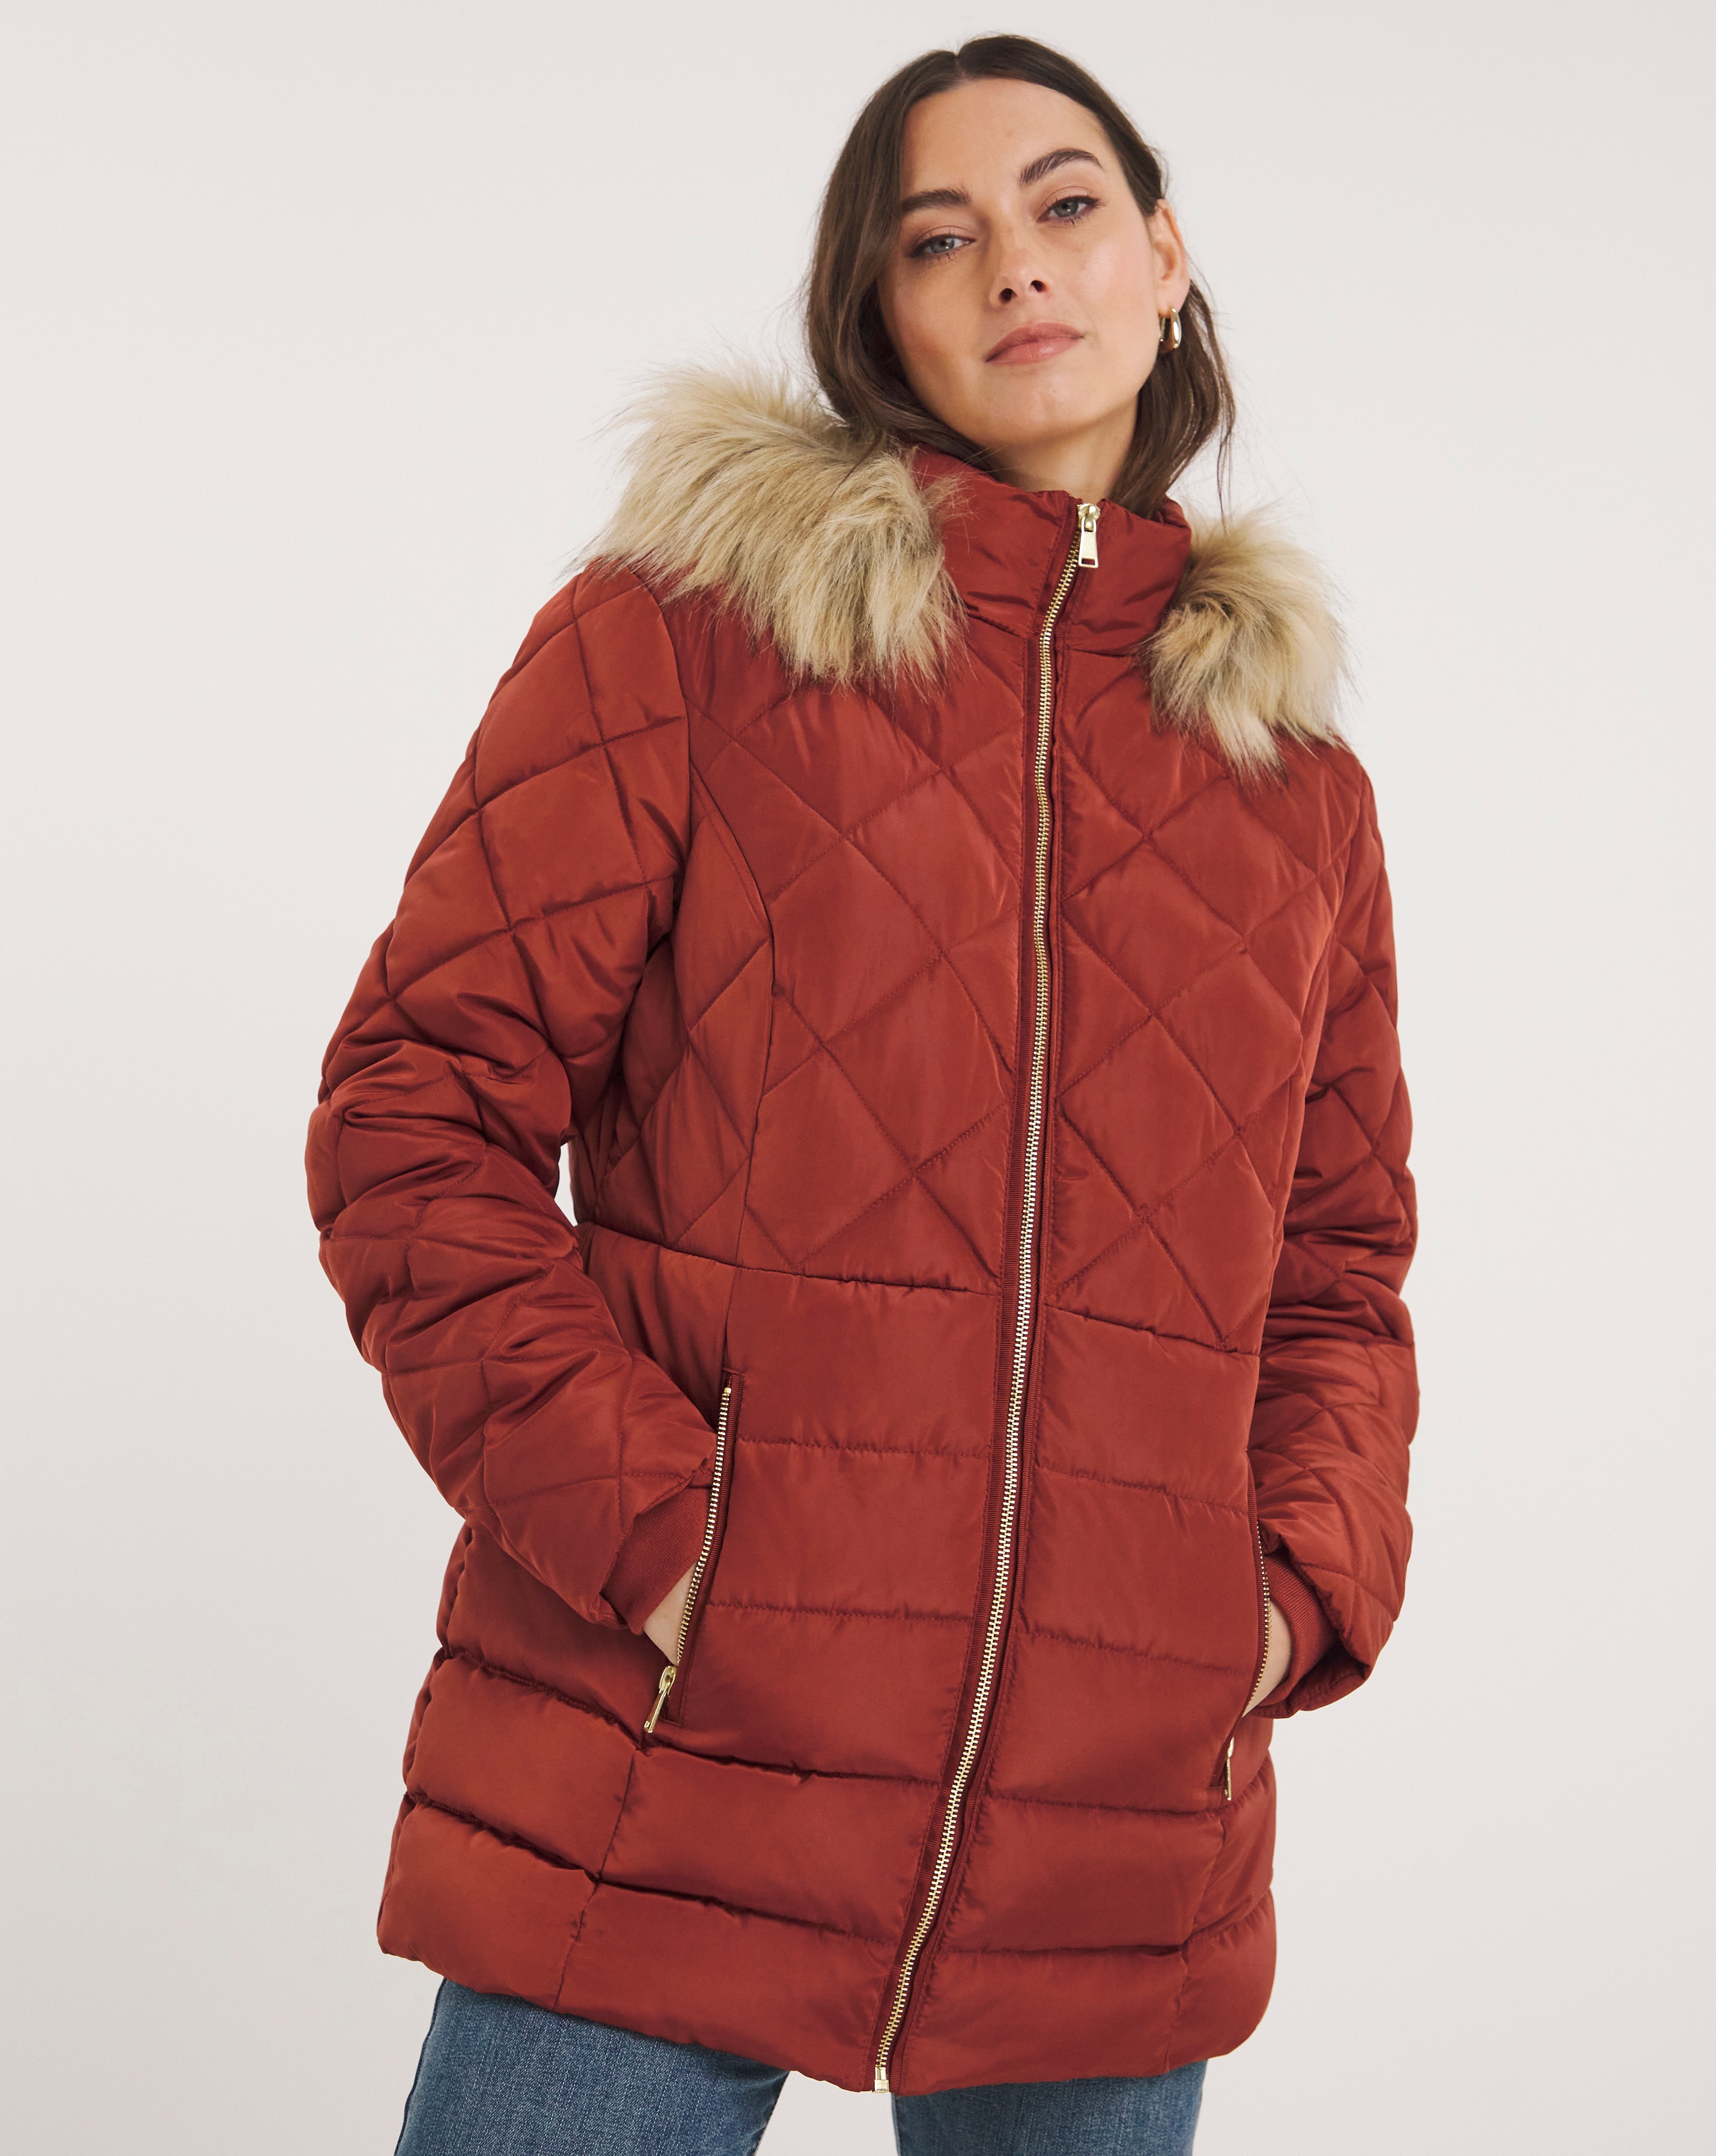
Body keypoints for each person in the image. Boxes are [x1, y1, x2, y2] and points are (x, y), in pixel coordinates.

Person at [306, 34, 1417, 2156]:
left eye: (1067, 204)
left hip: (1114, 1834)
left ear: (1165, 255)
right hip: (665, 1772)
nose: (1018, 264)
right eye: (939, 236)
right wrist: (671, 1548)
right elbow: (413, 1114)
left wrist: (1276, 1602)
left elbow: (1340, 1265)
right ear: (878, 317)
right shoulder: (690, 640)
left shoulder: (1293, 790)